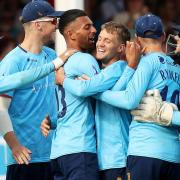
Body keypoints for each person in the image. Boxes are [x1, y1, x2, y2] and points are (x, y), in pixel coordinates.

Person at [41, 10, 138, 180]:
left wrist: (65, 82)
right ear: (71, 34)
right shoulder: (86, 61)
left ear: (121, 48)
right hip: (82, 151)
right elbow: (89, 92)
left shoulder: (63, 65)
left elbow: (87, 91)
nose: (94, 31)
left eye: (106, 39)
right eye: (88, 27)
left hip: (61, 152)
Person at [89, 14, 180, 180]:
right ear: (163, 36)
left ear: (137, 39)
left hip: (145, 149)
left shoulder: (146, 62)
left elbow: (129, 100)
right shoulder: (177, 68)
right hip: (174, 154)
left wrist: (97, 92)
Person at [0, 1, 64, 179]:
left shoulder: (51, 56)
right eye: (53, 21)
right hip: (25, 159)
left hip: (53, 156)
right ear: (38, 25)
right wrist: (14, 146)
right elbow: (1, 108)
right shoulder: (13, 62)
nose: (56, 26)